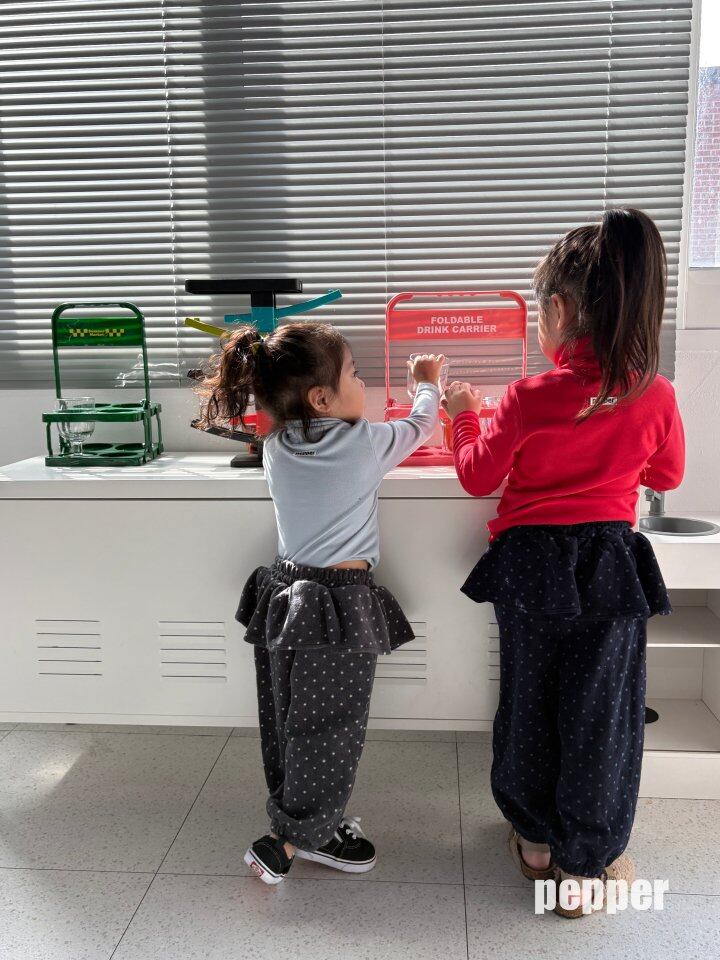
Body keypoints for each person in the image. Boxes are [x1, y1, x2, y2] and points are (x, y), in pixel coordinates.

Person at [442, 208, 685, 918]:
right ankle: (583, 867)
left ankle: (535, 842)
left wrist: (463, 414)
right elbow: (668, 475)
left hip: (530, 567)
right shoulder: (655, 393)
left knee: (530, 701)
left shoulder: (528, 397)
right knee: (600, 712)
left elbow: (476, 475)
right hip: (609, 565)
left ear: (557, 311)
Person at [196, 320, 444, 884]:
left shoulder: (275, 447)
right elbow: (421, 425)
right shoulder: (364, 443)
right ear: (322, 397)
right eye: (355, 375)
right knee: (331, 726)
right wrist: (427, 382)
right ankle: (295, 840)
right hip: (336, 606)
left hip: (284, 597)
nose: (364, 385)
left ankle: (295, 818)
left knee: (287, 718)